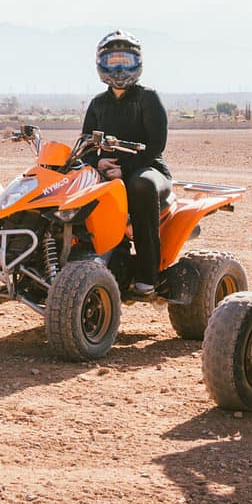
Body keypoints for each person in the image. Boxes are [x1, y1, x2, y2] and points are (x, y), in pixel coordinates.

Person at [81, 30, 170, 301]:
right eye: (112, 61)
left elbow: (157, 145)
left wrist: (127, 168)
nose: (119, 69)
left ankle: (147, 279)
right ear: (101, 64)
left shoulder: (148, 98)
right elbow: (85, 143)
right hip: (108, 169)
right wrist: (98, 161)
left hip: (148, 168)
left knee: (139, 187)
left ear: (138, 63)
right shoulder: (98, 103)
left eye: (126, 61)